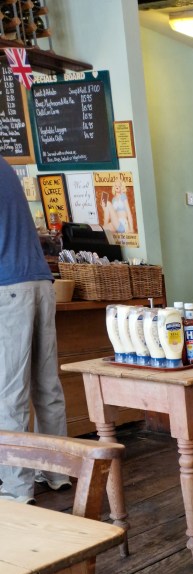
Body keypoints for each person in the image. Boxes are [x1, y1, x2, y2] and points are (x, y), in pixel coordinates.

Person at [0, 156, 70, 502]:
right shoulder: (6, 167)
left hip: (10, 286)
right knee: (47, 385)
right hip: (41, 283)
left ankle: (16, 487)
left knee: (9, 392)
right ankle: (56, 471)